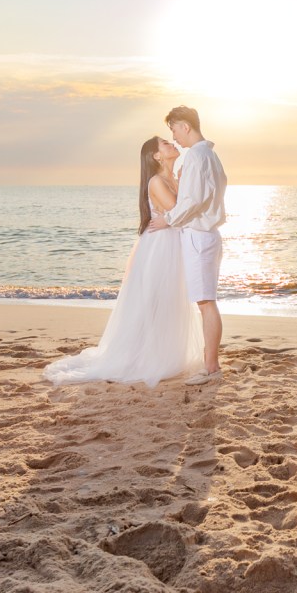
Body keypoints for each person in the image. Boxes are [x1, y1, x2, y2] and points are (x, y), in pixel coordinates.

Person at [44, 136, 205, 388]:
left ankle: (165, 351)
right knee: (154, 299)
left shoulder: (173, 178)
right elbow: (178, 212)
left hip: (172, 244)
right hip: (160, 247)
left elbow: (181, 212)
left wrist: (183, 182)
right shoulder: (156, 181)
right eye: (165, 143)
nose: (171, 145)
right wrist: (184, 185)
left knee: (170, 299)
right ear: (156, 156)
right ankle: (144, 356)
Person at [148, 105, 227, 385]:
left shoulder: (196, 156)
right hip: (208, 235)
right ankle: (211, 363)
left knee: (206, 302)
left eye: (174, 130)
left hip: (198, 236)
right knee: (206, 301)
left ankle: (211, 367)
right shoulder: (211, 155)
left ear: (185, 126)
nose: (175, 137)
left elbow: (193, 201)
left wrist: (169, 218)